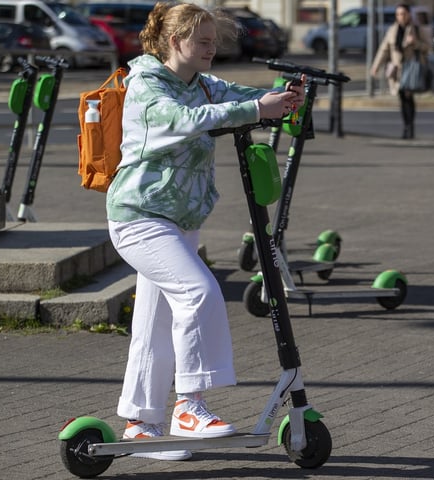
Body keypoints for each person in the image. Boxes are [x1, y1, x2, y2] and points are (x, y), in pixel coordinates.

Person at [105, 1, 305, 461]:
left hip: (179, 220)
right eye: (204, 41)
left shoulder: (202, 84)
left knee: (153, 324)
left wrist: (284, 95)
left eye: (216, 41)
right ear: (176, 42)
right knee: (199, 293)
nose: (213, 48)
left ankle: (141, 423)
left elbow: (237, 96)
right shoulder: (148, 85)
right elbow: (182, 120)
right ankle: (189, 406)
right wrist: (257, 108)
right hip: (139, 216)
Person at [370, 3, 431, 140]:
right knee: (402, 98)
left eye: (403, 14)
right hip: (397, 70)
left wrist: (415, 42)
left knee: (409, 98)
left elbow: (428, 47)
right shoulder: (392, 30)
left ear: (409, 14)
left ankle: (410, 127)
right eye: (398, 14)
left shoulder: (416, 29)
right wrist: (375, 66)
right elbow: (384, 49)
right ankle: (405, 126)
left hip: (412, 69)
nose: (400, 17)